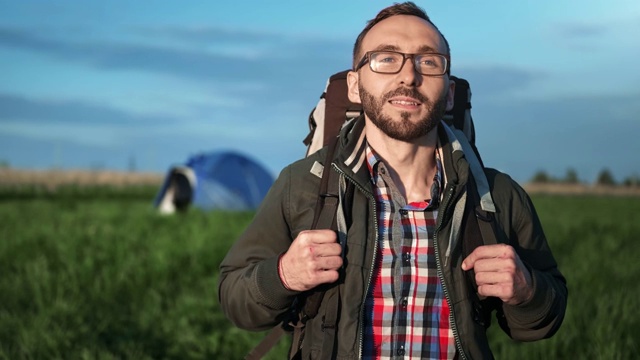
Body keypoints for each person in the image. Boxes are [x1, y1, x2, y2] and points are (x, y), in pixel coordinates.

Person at [218, 2, 567, 359]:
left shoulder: (495, 195)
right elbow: (235, 299)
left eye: (428, 62)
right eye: (386, 58)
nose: (408, 76)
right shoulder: (302, 185)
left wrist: (526, 290)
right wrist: (283, 276)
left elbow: (544, 320)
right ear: (354, 85)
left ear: (448, 93)